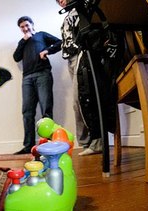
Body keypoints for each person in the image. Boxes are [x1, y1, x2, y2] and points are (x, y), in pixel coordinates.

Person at [57, 0, 102, 156]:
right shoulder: (67, 16)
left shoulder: (81, 8)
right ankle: (85, 142)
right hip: (70, 59)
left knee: (82, 98)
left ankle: (96, 141)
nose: (60, 1)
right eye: (57, 0)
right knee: (78, 101)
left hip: (81, 55)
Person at [13, 16, 62, 154]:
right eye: (22, 27)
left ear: (32, 25)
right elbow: (16, 57)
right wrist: (23, 40)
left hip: (42, 74)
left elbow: (60, 42)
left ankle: (48, 144)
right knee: (27, 112)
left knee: (46, 108)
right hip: (27, 78)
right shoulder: (22, 42)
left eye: (26, 25)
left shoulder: (41, 35)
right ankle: (28, 146)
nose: (25, 28)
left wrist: (47, 50)